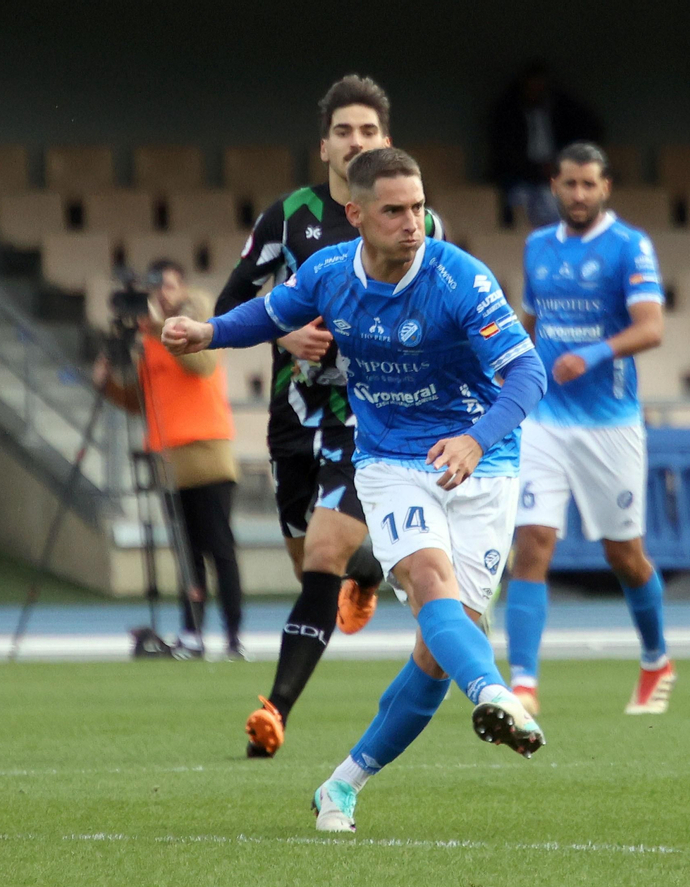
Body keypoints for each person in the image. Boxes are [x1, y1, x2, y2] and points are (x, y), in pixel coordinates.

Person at [163, 147, 548, 833]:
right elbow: (272, 312)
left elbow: (528, 374)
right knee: (430, 583)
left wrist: (474, 439)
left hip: (481, 464)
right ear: (357, 214)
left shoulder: (459, 277)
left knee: (438, 651)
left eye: (418, 207)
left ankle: (342, 784)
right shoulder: (330, 272)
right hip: (390, 460)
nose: (412, 223)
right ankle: (494, 692)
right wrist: (208, 332)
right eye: (394, 211)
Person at [215, 75, 446, 758]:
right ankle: (367, 572)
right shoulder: (288, 218)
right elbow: (230, 303)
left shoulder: (421, 225)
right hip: (293, 417)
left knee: (322, 553)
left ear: (386, 140)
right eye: (343, 131)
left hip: (369, 418)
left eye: (368, 131)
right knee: (311, 564)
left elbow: (442, 310)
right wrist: (284, 334)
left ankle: (274, 711)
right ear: (324, 146)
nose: (356, 141)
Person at [503, 142, 674, 715]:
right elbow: (530, 323)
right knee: (532, 542)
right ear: (554, 186)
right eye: (569, 184)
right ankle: (523, 685)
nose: (578, 194)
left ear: (605, 188)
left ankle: (656, 659)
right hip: (545, 419)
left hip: (609, 423)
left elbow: (651, 328)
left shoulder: (629, 246)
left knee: (624, 555)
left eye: (589, 184)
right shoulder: (537, 247)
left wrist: (594, 353)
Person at [98, 260, 244, 659]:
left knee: (220, 549)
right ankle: (191, 633)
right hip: (169, 461)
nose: (162, 294)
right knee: (187, 555)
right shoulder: (150, 340)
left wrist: (159, 325)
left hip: (207, 453)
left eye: (169, 285)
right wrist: (108, 383)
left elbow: (201, 364)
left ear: (183, 288)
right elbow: (144, 402)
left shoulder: (196, 319)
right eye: (156, 287)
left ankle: (233, 635)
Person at [487, 62, 602, 228]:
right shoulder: (509, 115)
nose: (537, 92)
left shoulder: (562, 112)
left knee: (566, 204)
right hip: (521, 180)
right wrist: (537, 169)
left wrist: (561, 165)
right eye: (532, 88)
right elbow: (505, 155)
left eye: (541, 87)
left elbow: (589, 130)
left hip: (556, 177)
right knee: (522, 202)